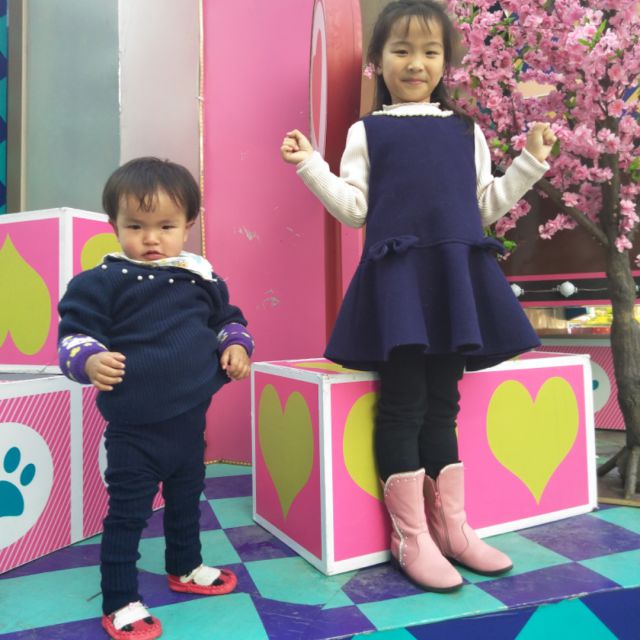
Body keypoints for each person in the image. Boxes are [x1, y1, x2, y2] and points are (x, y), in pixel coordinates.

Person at [281, 0, 556, 592]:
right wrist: (311, 167)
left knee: (443, 406)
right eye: (401, 50)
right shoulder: (368, 131)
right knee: (403, 405)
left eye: (430, 52)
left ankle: (452, 529)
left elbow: (484, 205)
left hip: (455, 281)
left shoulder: (465, 130)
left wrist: (529, 163)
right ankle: (411, 537)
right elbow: (355, 210)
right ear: (378, 61)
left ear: (445, 62)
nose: (416, 63)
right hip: (400, 286)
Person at [58, 157, 254, 640]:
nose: (151, 238)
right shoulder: (101, 282)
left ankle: (185, 565)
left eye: (166, 226)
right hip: (135, 429)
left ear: (188, 225)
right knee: (128, 514)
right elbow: (73, 336)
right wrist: (89, 360)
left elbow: (228, 320)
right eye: (135, 226)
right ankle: (119, 599)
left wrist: (235, 345)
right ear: (114, 225)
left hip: (189, 421)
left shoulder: (201, 277)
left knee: (187, 499)